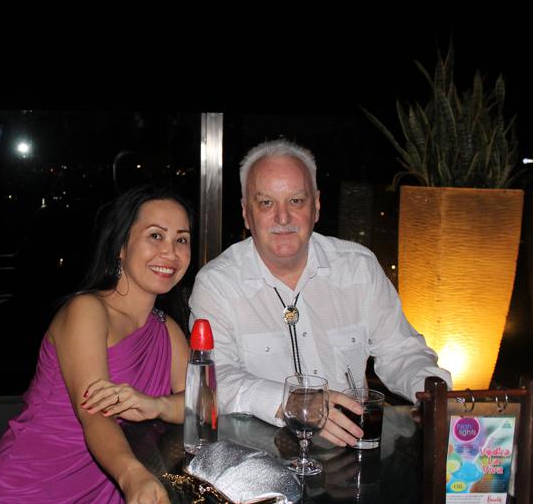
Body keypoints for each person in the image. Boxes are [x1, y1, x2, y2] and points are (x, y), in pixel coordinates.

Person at [188, 139, 452, 447]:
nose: (283, 218)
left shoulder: (358, 268)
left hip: (352, 447)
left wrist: (434, 392)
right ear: (246, 214)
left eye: (296, 201)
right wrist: (293, 403)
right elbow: (215, 378)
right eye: (266, 203)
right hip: (262, 453)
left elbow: (401, 351)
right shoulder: (217, 284)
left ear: (316, 206)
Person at [0, 184, 193, 503]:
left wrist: (156, 405)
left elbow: (203, 403)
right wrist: (132, 475)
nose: (170, 252)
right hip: (34, 484)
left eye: (181, 239)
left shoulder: (166, 329)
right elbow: (95, 413)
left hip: (111, 485)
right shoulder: (87, 310)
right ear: (121, 246)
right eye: (155, 235)